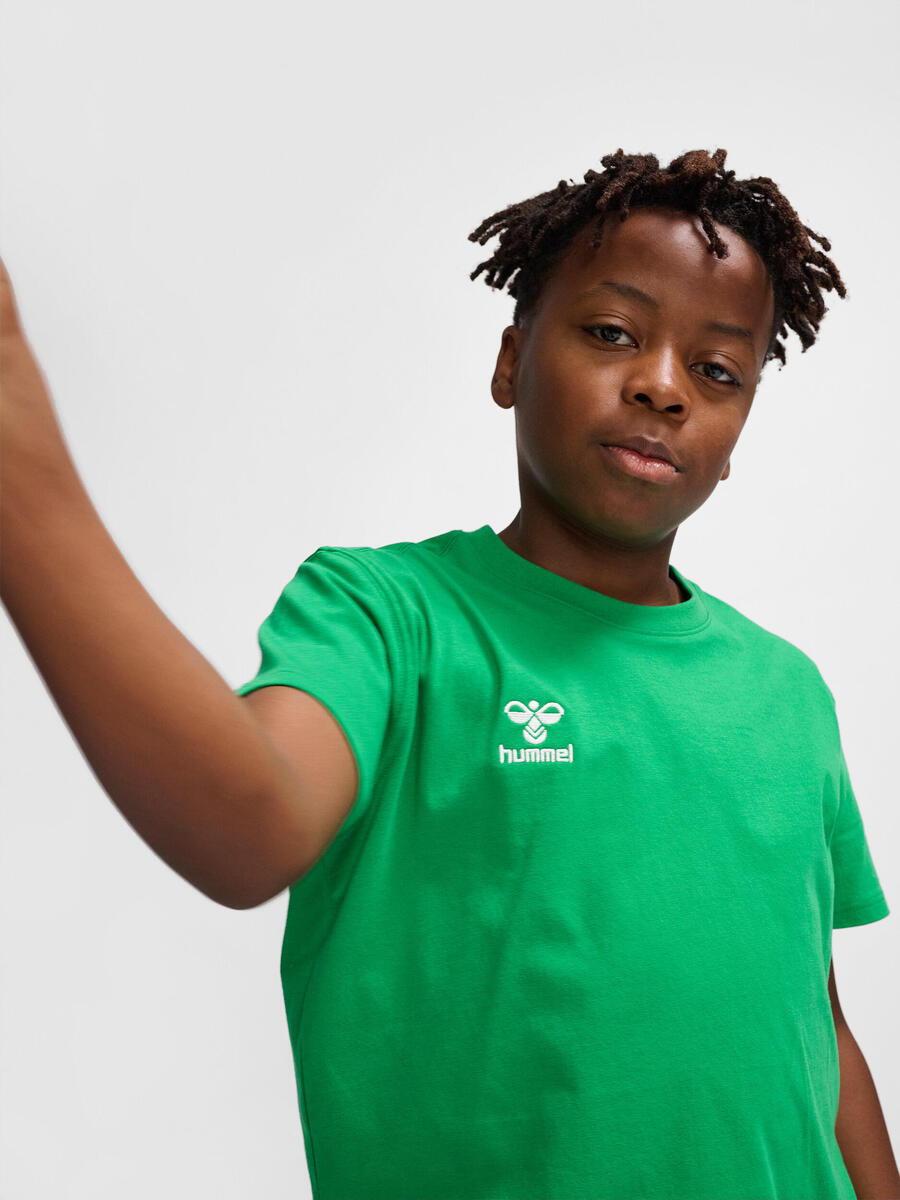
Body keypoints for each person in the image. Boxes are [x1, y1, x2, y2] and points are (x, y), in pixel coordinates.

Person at [1, 145, 896, 1200]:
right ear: (512, 360)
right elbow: (249, 825)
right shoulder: (389, 618)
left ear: (739, 430)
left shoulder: (787, 690)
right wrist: (21, 469)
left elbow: (816, 1024)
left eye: (717, 371)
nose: (661, 386)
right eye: (613, 333)